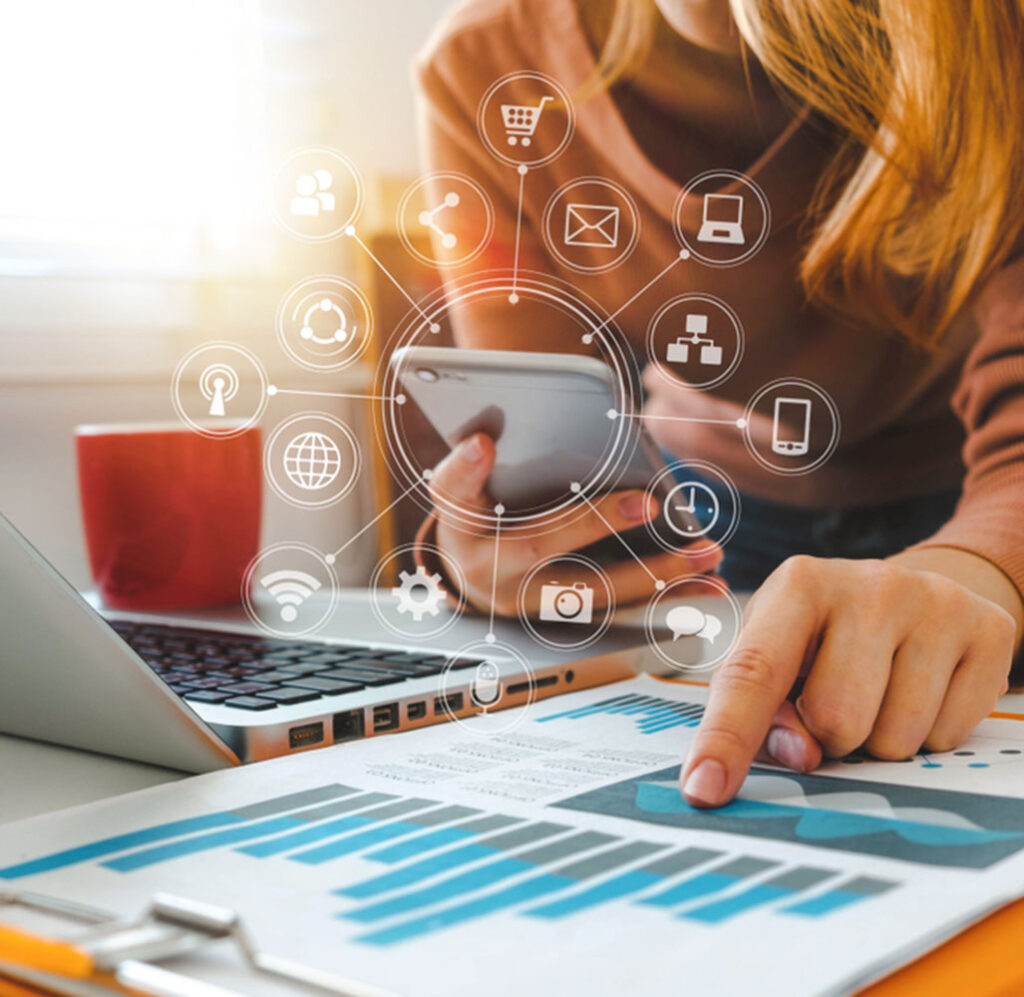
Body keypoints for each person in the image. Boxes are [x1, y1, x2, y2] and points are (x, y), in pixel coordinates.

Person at [411, 0, 1024, 808]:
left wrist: (982, 564)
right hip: (695, 522)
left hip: (975, 506)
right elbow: (534, 446)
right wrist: (492, 553)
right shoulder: (486, 62)